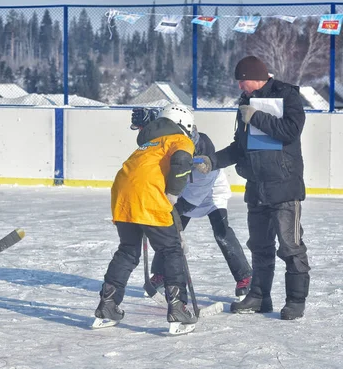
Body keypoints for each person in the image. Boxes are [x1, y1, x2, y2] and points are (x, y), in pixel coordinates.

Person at [194, 56, 309, 320]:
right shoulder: (244, 105)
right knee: (259, 246)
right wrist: (213, 161)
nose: (239, 88)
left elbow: (291, 130)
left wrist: (257, 117)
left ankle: (296, 300)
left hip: (284, 188)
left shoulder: (286, 95)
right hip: (257, 189)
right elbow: (239, 148)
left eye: (241, 82)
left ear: (253, 77)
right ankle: (259, 296)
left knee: (290, 246)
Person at [93, 103, 198, 334]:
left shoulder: (148, 143)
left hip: (122, 195)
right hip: (149, 195)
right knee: (171, 249)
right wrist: (173, 192)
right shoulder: (180, 140)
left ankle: (108, 305)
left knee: (128, 250)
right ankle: (178, 307)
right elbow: (181, 161)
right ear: (183, 125)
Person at [132, 107, 252, 302]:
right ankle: (161, 273)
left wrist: (168, 212)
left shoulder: (202, 148)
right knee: (168, 234)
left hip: (210, 192)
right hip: (181, 189)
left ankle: (245, 277)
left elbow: (196, 194)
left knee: (221, 232)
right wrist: (145, 127)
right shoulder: (170, 137)